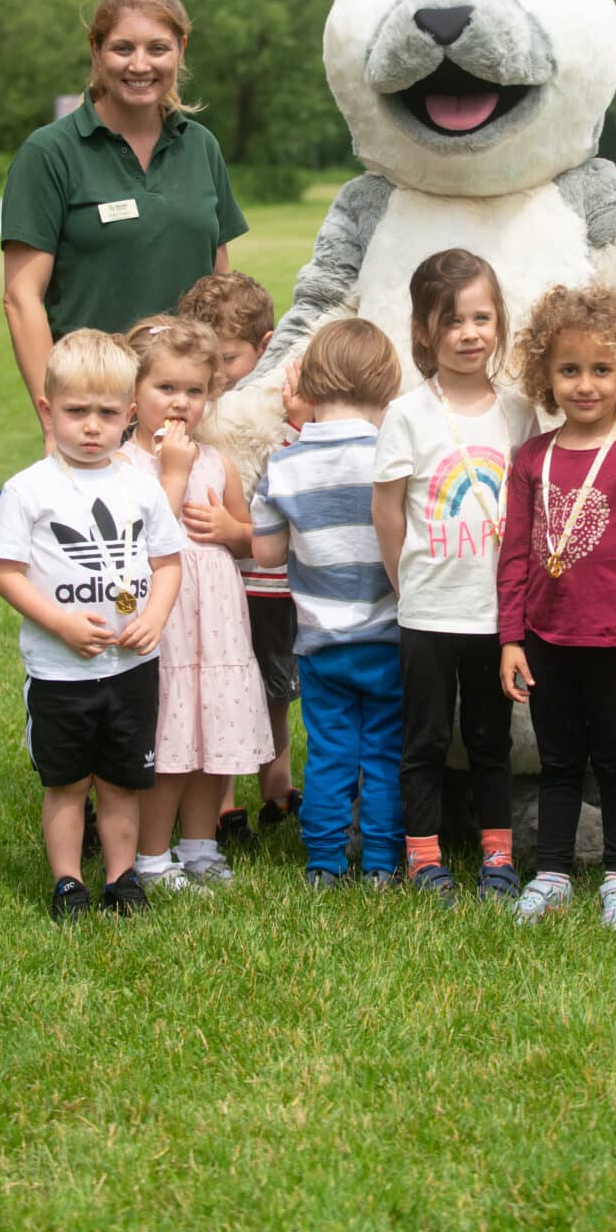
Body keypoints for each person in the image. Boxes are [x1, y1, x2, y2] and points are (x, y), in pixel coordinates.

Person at [498, 285, 616, 931]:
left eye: (600, 369)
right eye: (568, 369)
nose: (584, 385)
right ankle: (550, 874)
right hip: (547, 641)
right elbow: (515, 555)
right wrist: (511, 639)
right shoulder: (531, 460)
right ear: (544, 375)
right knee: (557, 763)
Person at [0, 330, 183, 920]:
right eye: (76, 412)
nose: (92, 426)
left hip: (131, 667)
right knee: (68, 783)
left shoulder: (140, 485)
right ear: (49, 409)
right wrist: (61, 625)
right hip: (61, 672)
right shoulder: (28, 490)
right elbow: (6, 571)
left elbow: (168, 562)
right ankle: (68, 882)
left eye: (106, 413)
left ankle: (123, 879)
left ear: (129, 415)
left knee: (123, 781)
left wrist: (153, 617)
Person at [0, 0, 247, 430]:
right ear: (95, 50)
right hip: (98, 415)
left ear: (180, 49)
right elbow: (21, 298)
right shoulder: (50, 153)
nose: (140, 65)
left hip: (187, 411)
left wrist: (223, 387)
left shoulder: (201, 147)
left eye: (157, 48)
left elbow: (218, 284)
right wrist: (56, 419)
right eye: (121, 48)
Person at [372, 249, 536, 902]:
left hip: (499, 617)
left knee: (492, 740)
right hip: (429, 613)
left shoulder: (519, 413)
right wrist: (403, 581)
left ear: (499, 322)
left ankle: (497, 856)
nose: (469, 334)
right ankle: (424, 856)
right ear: (421, 330)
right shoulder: (407, 414)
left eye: (481, 317)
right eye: (451, 321)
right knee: (427, 740)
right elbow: (386, 510)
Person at [249, 319, 404, 887]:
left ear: (309, 384)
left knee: (332, 754)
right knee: (384, 754)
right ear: (387, 388)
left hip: (319, 645)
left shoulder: (285, 464)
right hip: (388, 638)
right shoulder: (392, 457)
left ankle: (324, 861)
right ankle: (383, 862)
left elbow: (265, 552)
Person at [121, 315, 273, 893]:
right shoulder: (122, 464)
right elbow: (137, 540)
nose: (180, 403)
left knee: (217, 736)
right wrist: (174, 474)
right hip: (167, 623)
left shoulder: (218, 461)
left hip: (217, 622)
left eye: (194, 390)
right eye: (165, 389)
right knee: (172, 742)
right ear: (134, 393)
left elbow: (252, 542)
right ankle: (154, 857)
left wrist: (230, 527)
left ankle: (201, 845)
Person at [179, 270, 302, 848]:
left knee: (274, 691)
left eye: (228, 357)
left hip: (276, 586)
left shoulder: (284, 413)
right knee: (223, 692)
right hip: (219, 590)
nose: (218, 373)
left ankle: (279, 788)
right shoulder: (195, 420)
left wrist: (238, 529)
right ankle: (223, 807)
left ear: (265, 344)